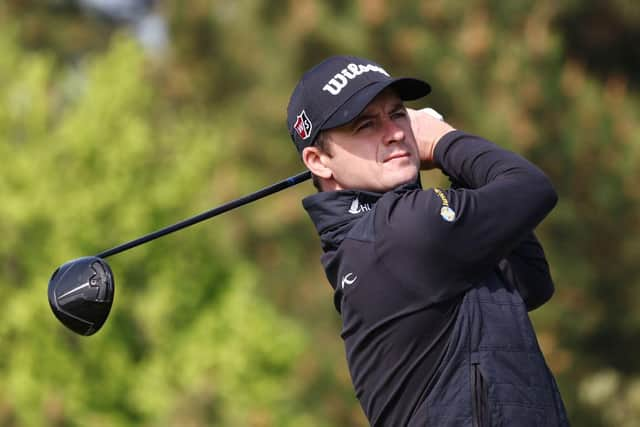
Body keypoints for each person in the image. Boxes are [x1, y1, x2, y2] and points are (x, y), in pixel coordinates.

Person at [286, 55, 569, 426]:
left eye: (398, 113)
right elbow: (532, 188)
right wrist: (443, 142)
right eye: (366, 125)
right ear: (319, 161)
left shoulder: (385, 236)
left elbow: (530, 282)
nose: (396, 132)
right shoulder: (397, 232)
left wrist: (456, 169)